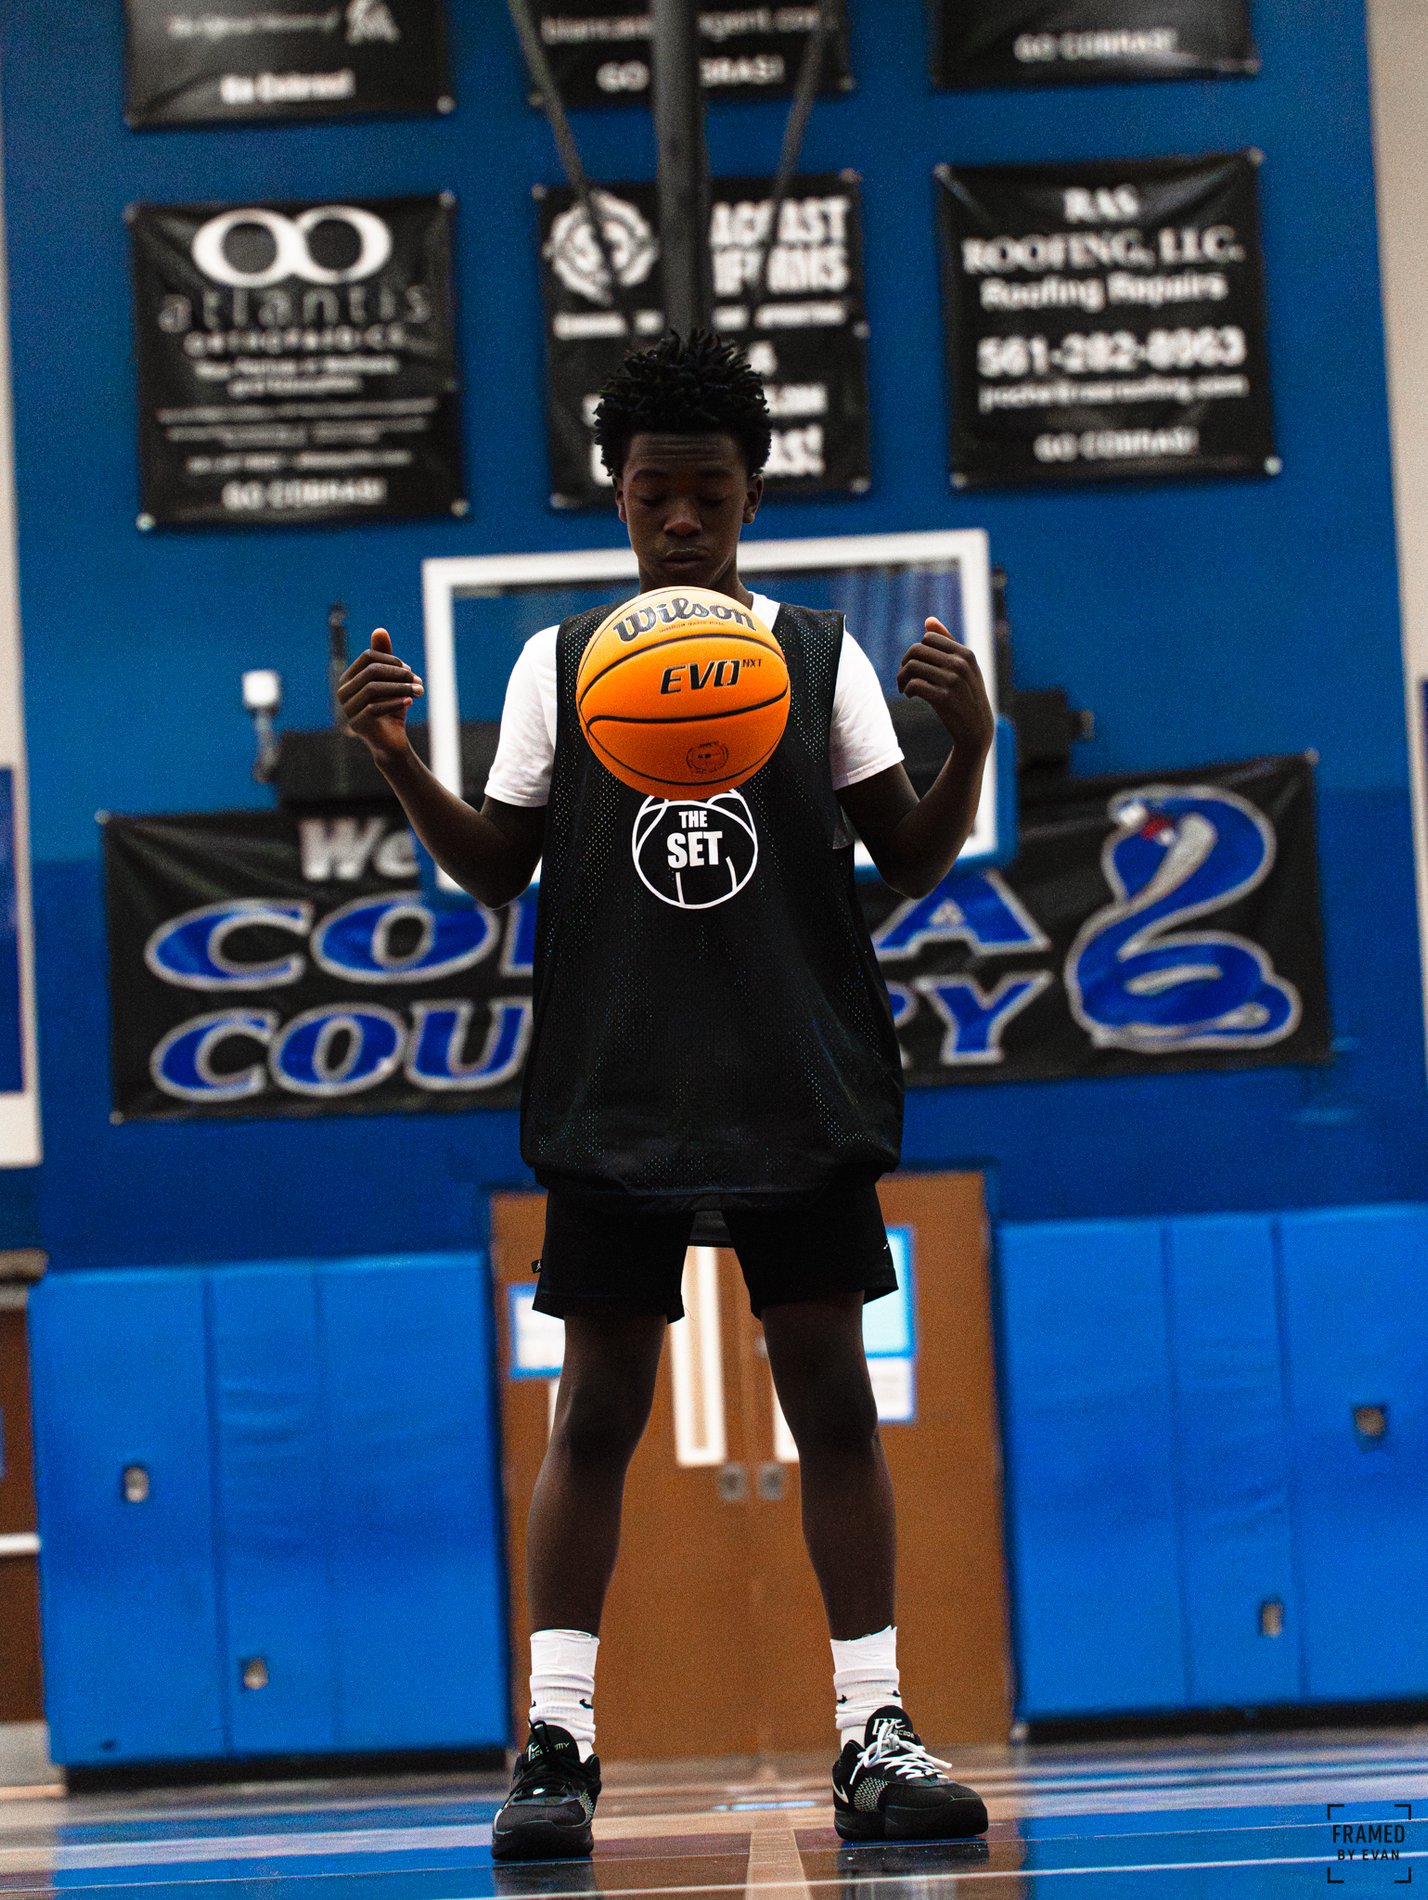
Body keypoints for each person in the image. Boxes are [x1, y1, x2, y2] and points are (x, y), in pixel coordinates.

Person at [338, 331, 997, 1859]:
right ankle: (557, 1743)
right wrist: (393, 757)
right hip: (618, 1080)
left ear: (753, 496)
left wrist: (969, 744)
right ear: (618, 497)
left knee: (835, 1400)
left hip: (793, 1076)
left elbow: (910, 859)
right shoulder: (561, 662)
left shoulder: (818, 655)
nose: (682, 519)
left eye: (709, 492)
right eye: (655, 495)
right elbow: (494, 868)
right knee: (596, 1411)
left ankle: (874, 1731)